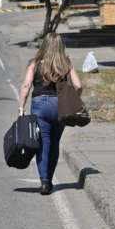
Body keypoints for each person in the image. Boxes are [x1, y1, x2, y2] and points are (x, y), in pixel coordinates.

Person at [18, 33, 82, 195]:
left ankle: (45, 182)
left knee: (42, 145)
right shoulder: (66, 63)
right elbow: (78, 85)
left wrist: (21, 108)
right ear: (61, 46)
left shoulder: (35, 63)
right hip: (60, 106)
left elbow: (26, 86)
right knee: (54, 144)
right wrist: (73, 100)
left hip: (40, 106)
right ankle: (50, 179)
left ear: (44, 45)